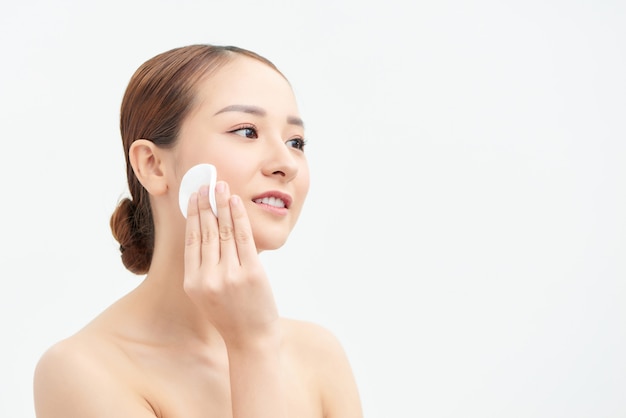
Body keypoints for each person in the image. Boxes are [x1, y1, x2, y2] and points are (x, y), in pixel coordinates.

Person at [33, 44, 363, 418]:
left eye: (296, 142)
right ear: (154, 165)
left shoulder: (319, 356)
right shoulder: (82, 370)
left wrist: (254, 342)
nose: (287, 164)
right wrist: (251, 347)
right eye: (246, 131)